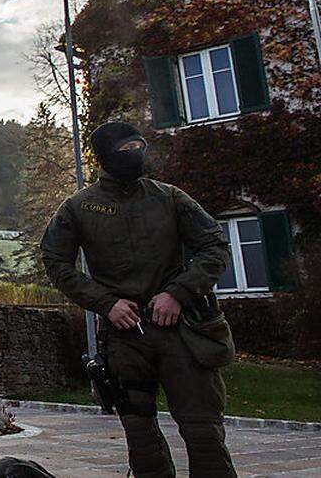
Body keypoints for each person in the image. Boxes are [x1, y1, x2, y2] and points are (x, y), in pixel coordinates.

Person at [40, 121, 236, 478]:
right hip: (125, 338)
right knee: (141, 441)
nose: (136, 154)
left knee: (203, 433)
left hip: (184, 333)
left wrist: (178, 293)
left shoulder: (169, 197)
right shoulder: (79, 207)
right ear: (103, 158)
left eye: (139, 146)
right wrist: (105, 303)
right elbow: (53, 260)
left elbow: (215, 246)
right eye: (126, 149)